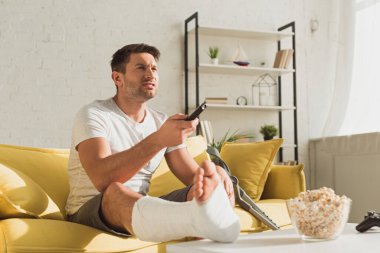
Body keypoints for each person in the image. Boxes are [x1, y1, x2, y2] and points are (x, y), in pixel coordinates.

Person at [65, 43, 240, 243]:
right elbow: (103, 180)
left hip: (141, 208)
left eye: (154, 68)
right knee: (115, 191)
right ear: (117, 78)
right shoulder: (94, 114)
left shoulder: (160, 121)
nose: (150, 74)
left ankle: (208, 221)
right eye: (141, 68)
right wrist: (158, 140)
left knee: (200, 193)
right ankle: (198, 221)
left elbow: (192, 177)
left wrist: (216, 178)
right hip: (90, 209)